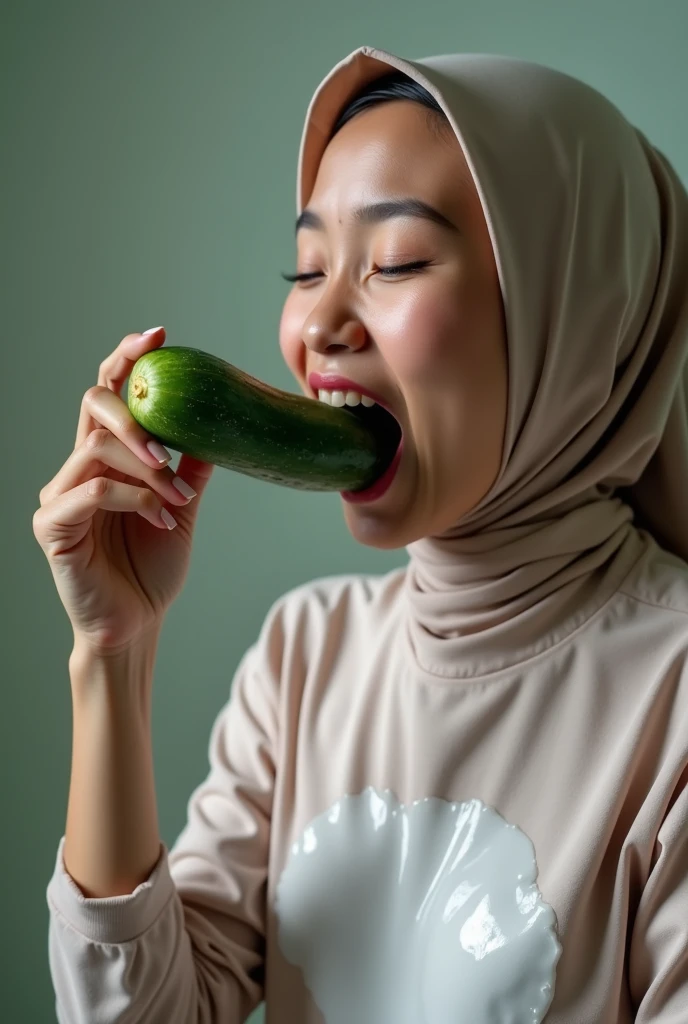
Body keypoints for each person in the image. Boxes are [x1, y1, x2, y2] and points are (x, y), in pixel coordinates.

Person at [34, 44, 688, 1024]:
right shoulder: (302, 656)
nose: (319, 323)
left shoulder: (672, 691)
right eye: (303, 269)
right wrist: (110, 655)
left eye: (395, 263)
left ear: (574, 312)